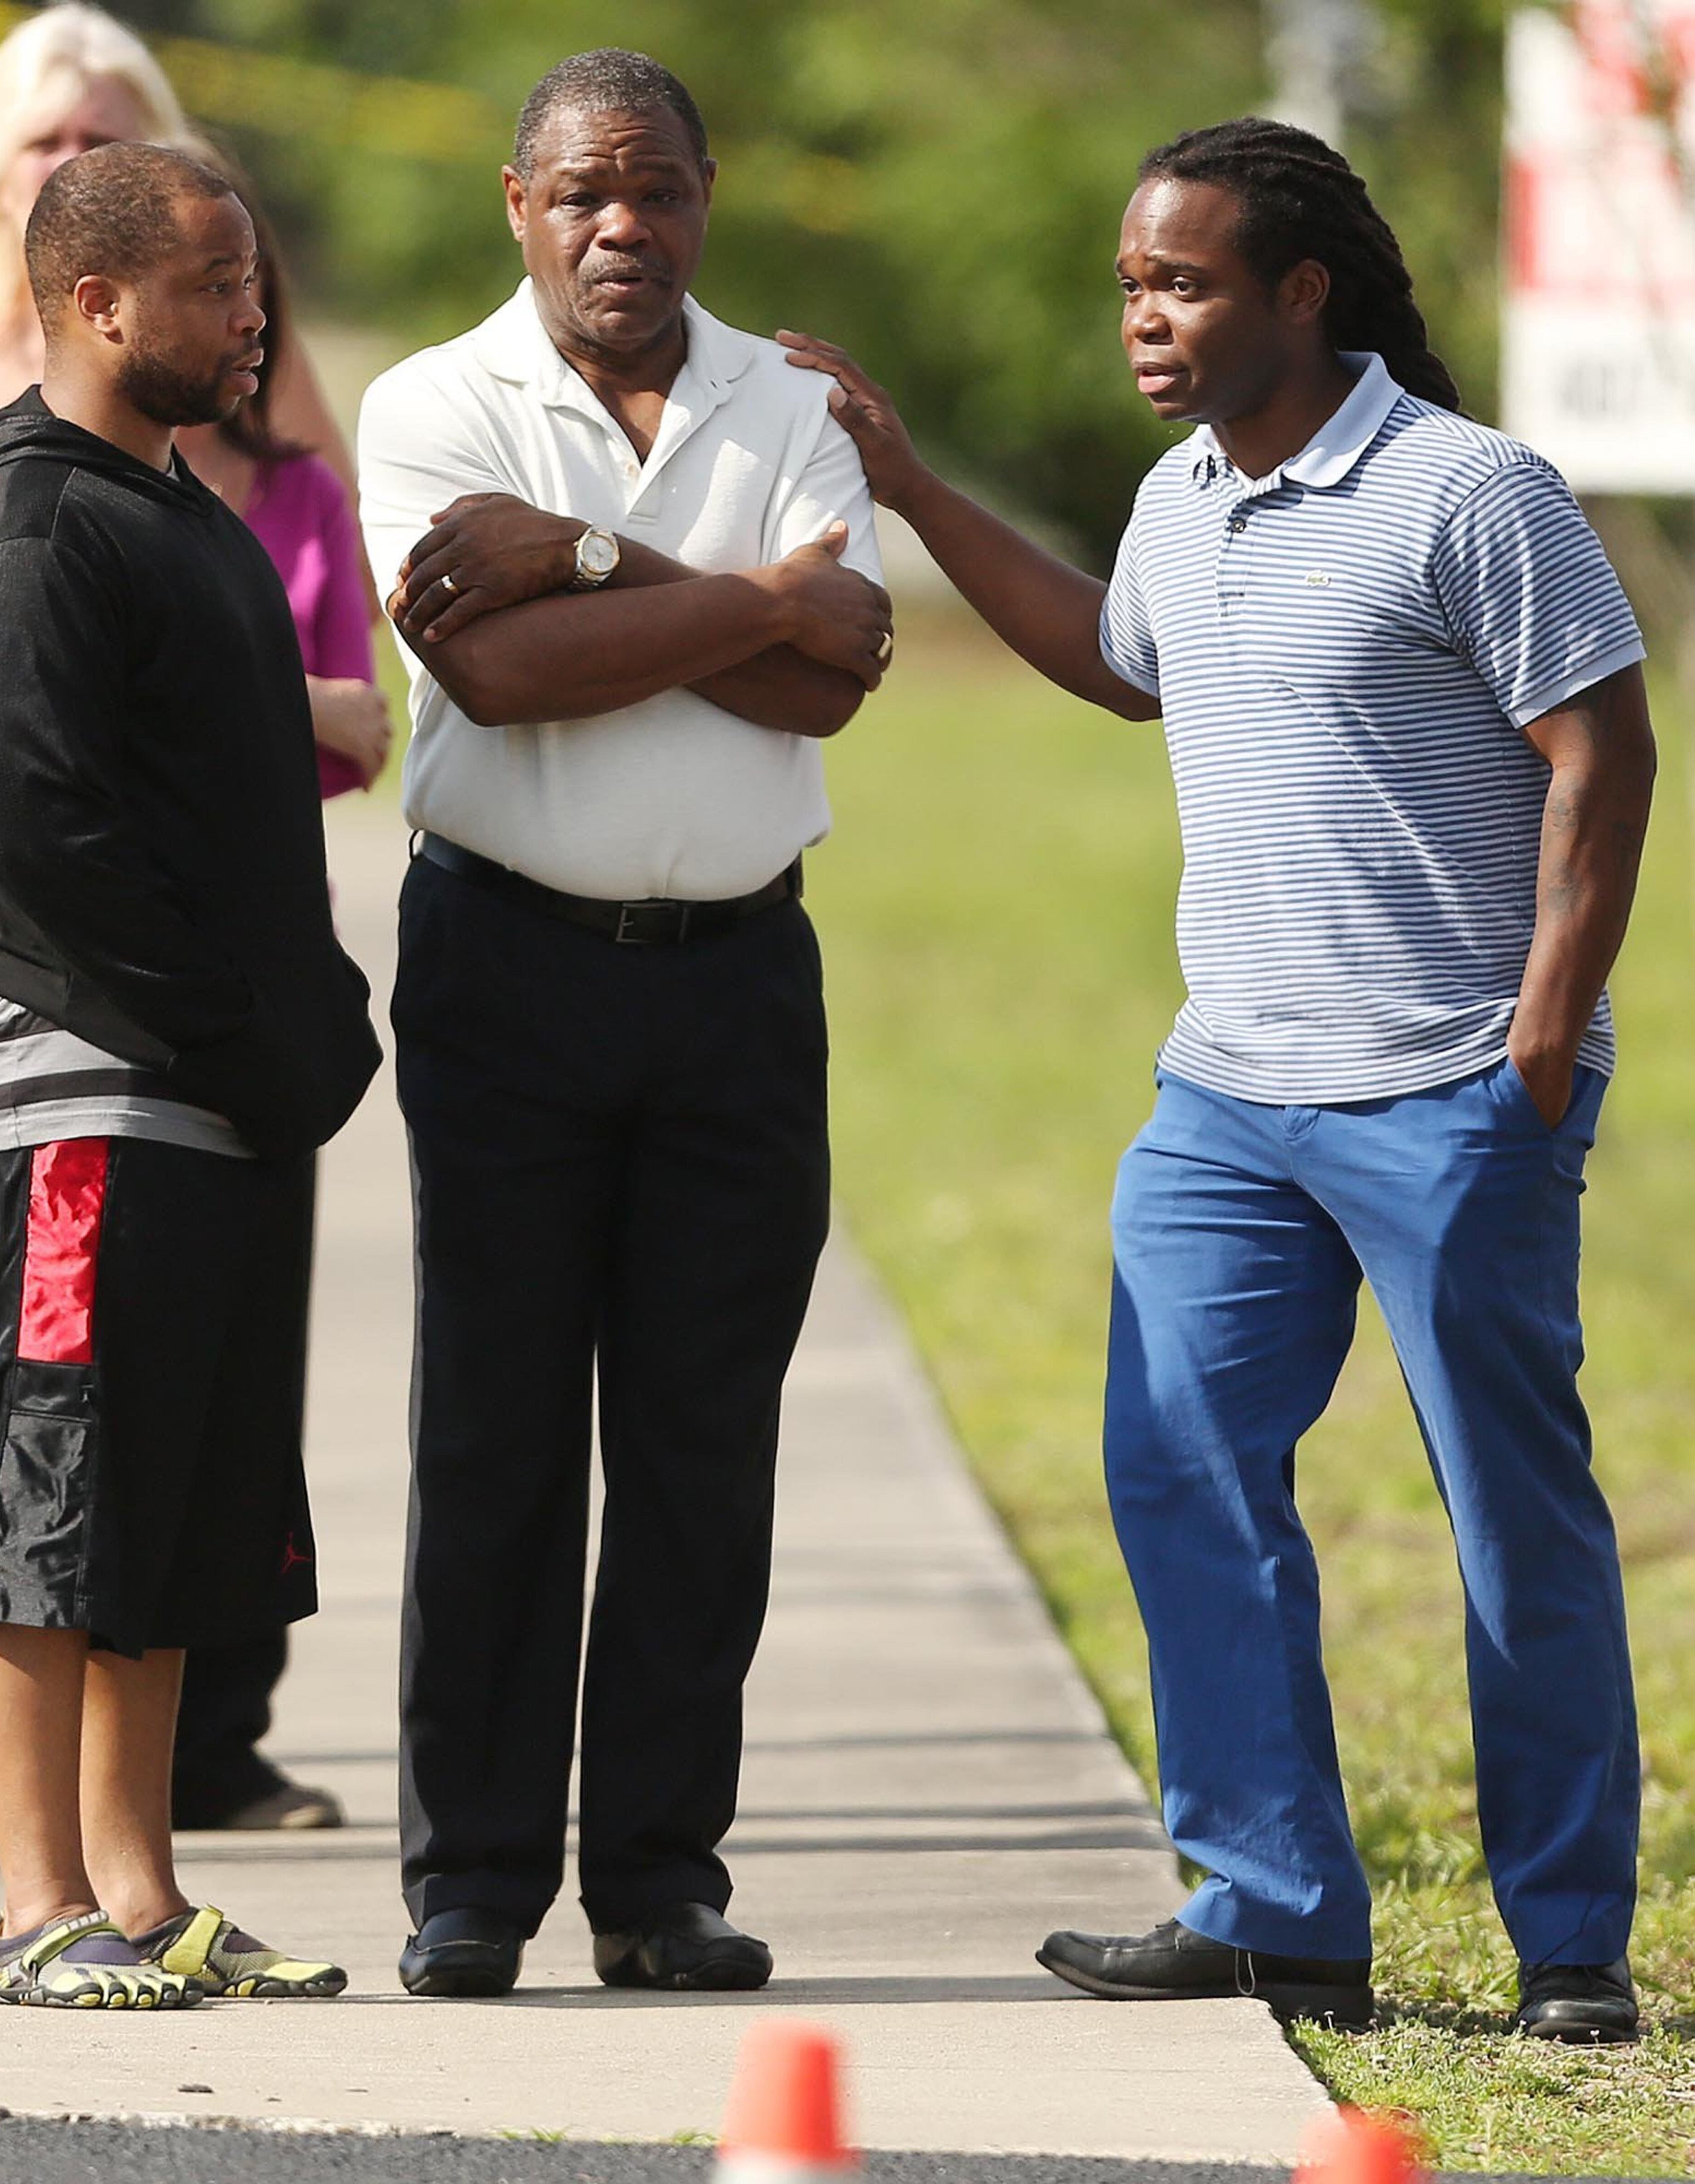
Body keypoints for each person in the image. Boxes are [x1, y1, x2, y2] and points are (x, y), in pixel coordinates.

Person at [780, 117, 1655, 2044]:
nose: (1145, 321)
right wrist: (912, 483)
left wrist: (1534, 1036)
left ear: (1302, 292)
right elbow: (1115, 659)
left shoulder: (1470, 490)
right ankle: (1274, 1905)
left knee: (1510, 1512)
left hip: (1446, 1092)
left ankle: (1572, 1943)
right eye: (1130, 288)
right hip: (1228, 1101)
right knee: (1180, 1469)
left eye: (1178, 285)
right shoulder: (1188, 498)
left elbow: (1603, 753)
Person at [358, 47, 892, 1999]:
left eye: (655, 187)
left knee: (698, 1440)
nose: (620, 225)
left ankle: (659, 1880)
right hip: (506, 964)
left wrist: (587, 561)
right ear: (518, 201)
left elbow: (836, 679)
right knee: (496, 1428)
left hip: (742, 978)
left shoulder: (799, 399)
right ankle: (474, 1882)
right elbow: (493, 677)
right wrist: (748, 606)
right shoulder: (430, 400)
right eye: (582, 189)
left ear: (707, 194)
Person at [0, 140, 380, 2006]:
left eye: (255, 277)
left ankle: (139, 1891)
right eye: (212, 282)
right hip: (74, 1097)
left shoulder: (187, 511)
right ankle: (35, 1902)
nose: (251, 312)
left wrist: (297, 1030)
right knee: (53, 1486)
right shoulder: (30, 526)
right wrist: (240, 1030)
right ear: (96, 299)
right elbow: (50, 842)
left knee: (180, 1496)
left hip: (210, 1096)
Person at [164, 146, 391, 1837]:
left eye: (256, 291)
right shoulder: (53, 495)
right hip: (97, 996)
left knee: (249, 1362)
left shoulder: (294, 486)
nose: (245, 320)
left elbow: (366, 726)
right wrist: (276, 699)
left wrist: (215, 701)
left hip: (264, 977)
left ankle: (221, 1735)